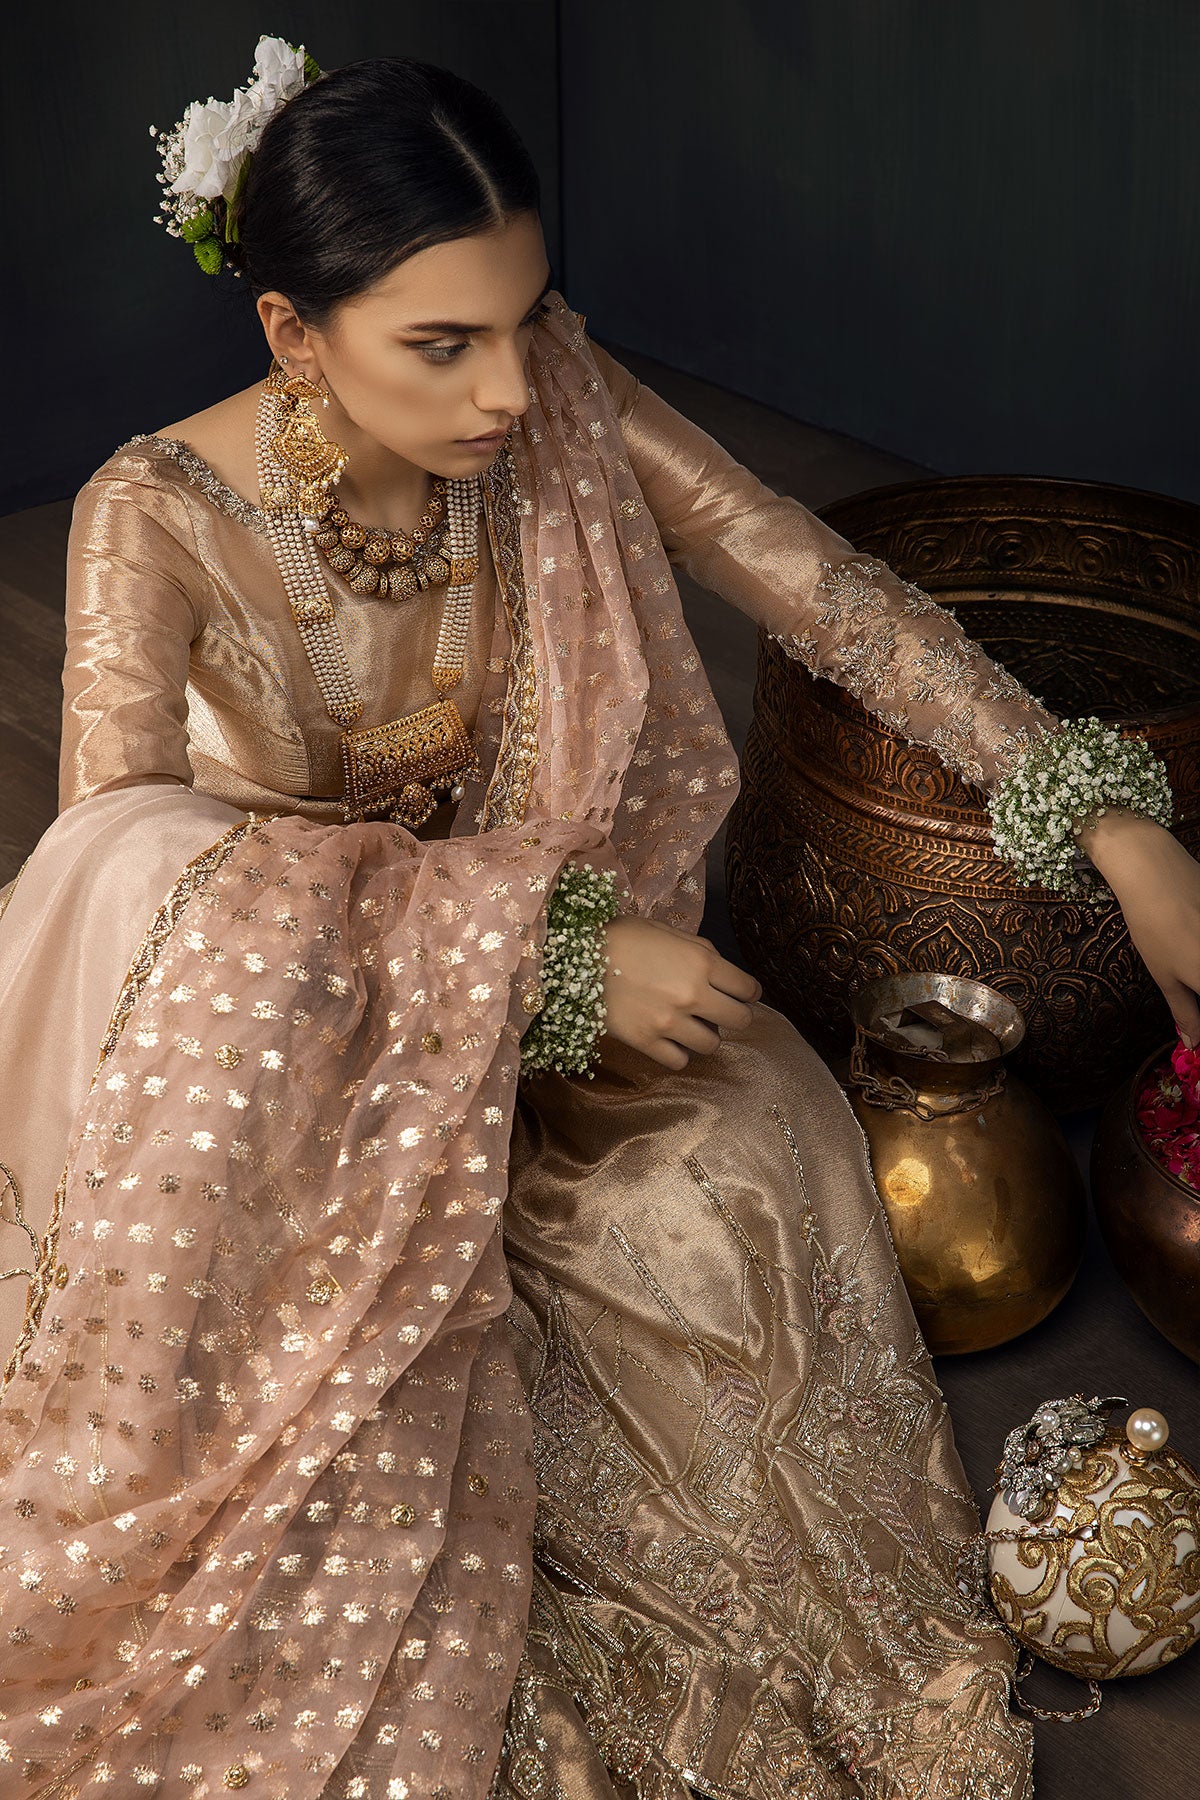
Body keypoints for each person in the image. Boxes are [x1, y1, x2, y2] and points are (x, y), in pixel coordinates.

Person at [0, 40, 1196, 1800]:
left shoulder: (548, 386)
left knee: (757, 1159)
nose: (507, 389)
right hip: (286, 1096)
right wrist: (542, 961)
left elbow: (819, 588)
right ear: (288, 335)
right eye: (442, 343)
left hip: (558, 1016)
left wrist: (1107, 818)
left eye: (526, 316)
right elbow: (120, 889)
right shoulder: (150, 521)